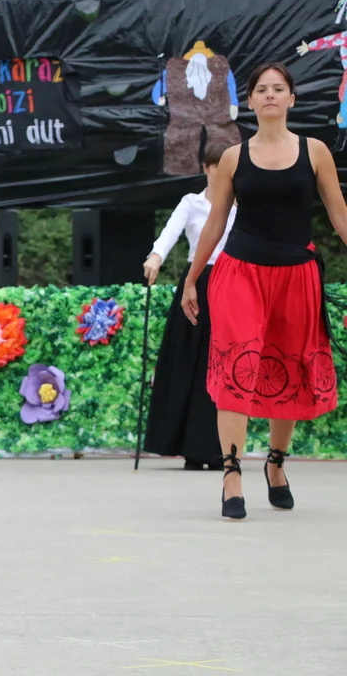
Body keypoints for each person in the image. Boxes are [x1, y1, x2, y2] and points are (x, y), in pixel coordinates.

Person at [182, 62, 347, 522]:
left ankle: (275, 463)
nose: (270, 95)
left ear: (291, 98)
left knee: (288, 368)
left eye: (278, 88)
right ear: (251, 101)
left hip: (296, 274)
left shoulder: (315, 152)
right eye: (262, 89)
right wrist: (193, 278)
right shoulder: (234, 158)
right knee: (238, 364)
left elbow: (339, 214)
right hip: (240, 273)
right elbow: (215, 223)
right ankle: (231, 474)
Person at [142, 148, 237, 471]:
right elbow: (170, 231)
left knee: (224, 362)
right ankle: (188, 446)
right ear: (206, 168)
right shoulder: (191, 203)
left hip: (232, 283)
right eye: (217, 167)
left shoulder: (241, 206)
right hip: (196, 281)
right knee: (190, 360)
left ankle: (219, 447)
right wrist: (156, 256)